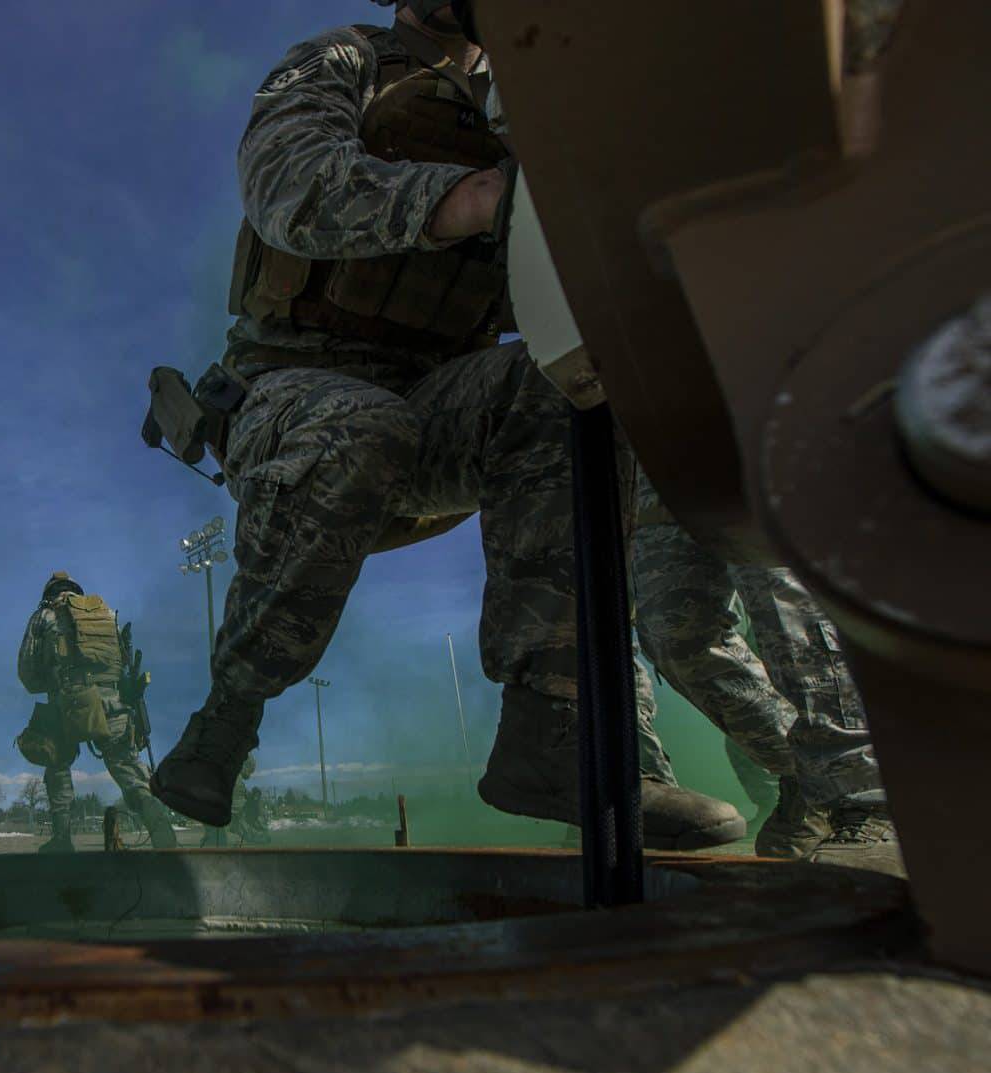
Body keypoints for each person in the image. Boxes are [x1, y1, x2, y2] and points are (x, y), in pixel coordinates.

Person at [149, 0, 743, 849]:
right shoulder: (346, 59)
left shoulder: (530, 103)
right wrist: (471, 198)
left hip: (435, 403)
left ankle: (556, 734)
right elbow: (288, 184)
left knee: (575, 383)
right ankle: (227, 720)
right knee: (361, 424)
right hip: (293, 389)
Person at [632, 471, 897, 868]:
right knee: (674, 632)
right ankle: (811, 785)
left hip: (749, 434)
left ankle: (872, 803)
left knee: (790, 610)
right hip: (659, 456)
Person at [16, 572, 178, 851]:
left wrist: (55, 682)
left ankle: (62, 839)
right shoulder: (104, 612)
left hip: (70, 703)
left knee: (56, 762)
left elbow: (27, 674)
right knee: (127, 764)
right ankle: (162, 830)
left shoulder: (43, 616)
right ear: (77, 592)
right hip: (114, 704)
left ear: (50, 593)